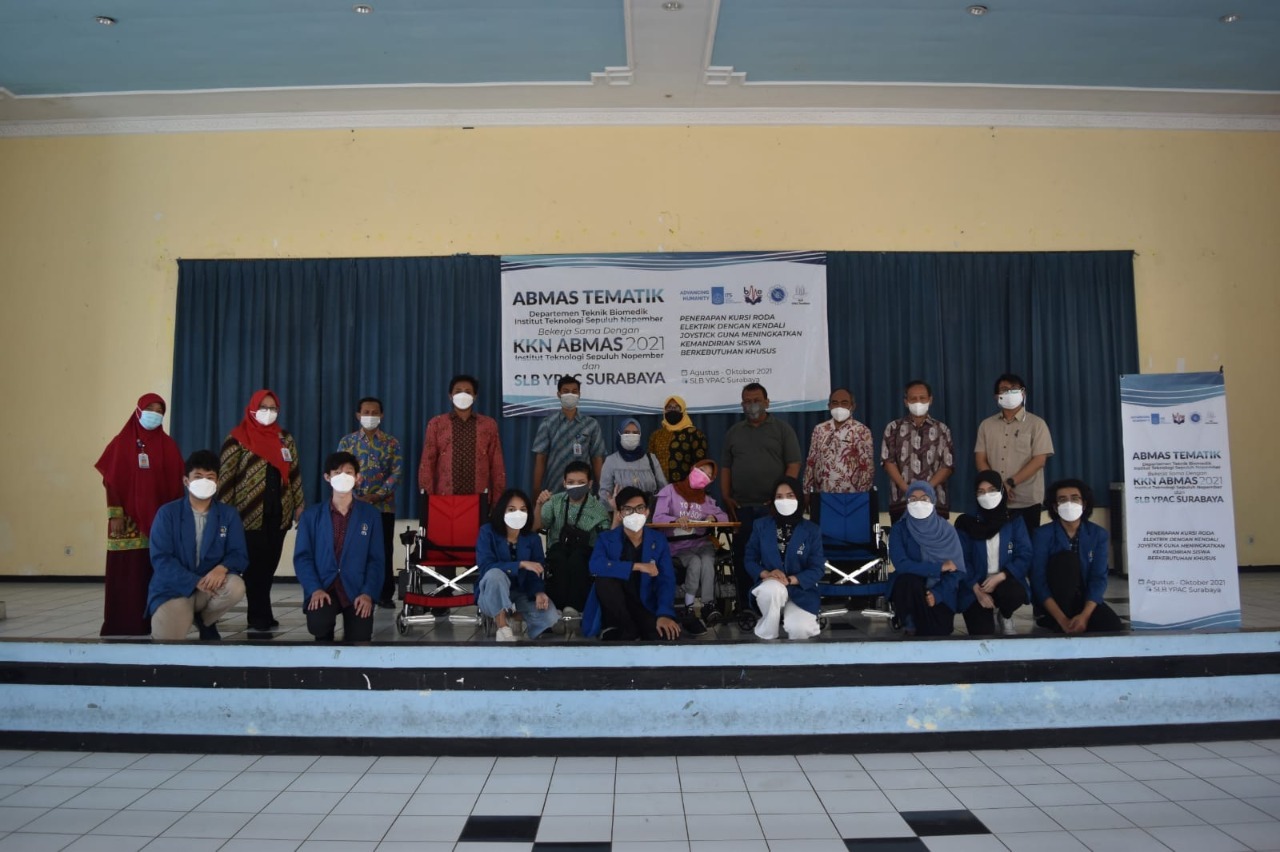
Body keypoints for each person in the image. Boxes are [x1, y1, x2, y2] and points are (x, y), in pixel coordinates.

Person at [94, 393, 185, 636]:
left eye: (159, 410)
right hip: (126, 522)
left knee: (150, 570)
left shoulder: (168, 446)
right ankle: (120, 624)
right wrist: (115, 514)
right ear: (138, 410)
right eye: (150, 408)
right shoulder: (121, 442)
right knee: (126, 573)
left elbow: (176, 486)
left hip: (158, 522)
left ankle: (151, 622)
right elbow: (111, 481)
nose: (154, 414)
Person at [218, 389, 305, 634]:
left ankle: (262, 612)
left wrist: (299, 504)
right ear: (253, 407)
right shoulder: (236, 438)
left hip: (279, 513)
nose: (268, 412)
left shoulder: (284, 438)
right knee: (255, 567)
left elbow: (295, 472)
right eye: (263, 406)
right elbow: (226, 479)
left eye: (273, 407)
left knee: (269, 565)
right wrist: (224, 514)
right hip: (247, 515)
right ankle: (258, 616)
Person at [147, 450, 248, 641]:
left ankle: (206, 620)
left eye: (210, 477)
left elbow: (239, 553)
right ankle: (183, 614)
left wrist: (222, 567)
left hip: (209, 587)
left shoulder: (228, 514)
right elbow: (161, 559)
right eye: (198, 476)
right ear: (186, 481)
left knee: (235, 586)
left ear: (217, 482)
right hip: (173, 589)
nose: (204, 481)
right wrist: (193, 580)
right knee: (167, 641)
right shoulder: (167, 513)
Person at [721, 383, 802, 610]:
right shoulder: (734, 432)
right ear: (741, 404)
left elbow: (794, 464)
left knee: (775, 556)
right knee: (744, 557)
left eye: (756, 400)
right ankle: (747, 606)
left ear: (767, 402)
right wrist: (726, 496)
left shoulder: (783, 430)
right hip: (742, 508)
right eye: (747, 401)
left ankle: (780, 603)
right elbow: (726, 467)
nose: (752, 405)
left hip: (774, 509)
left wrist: (781, 498)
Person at [293, 452, 384, 642]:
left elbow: (376, 560)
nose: (343, 477)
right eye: (337, 472)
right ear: (327, 477)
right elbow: (303, 558)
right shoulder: (311, 516)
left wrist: (368, 593)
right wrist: (314, 589)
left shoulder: (371, 515)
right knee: (319, 624)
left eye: (349, 472)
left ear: (358, 478)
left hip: (356, 589)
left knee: (360, 636)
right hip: (324, 586)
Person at [583, 487, 682, 641]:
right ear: (619, 514)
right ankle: (626, 627)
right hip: (617, 609)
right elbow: (595, 565)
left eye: (640, 508)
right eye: (628, 509)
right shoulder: (606, 538)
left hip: (646, 605)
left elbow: (666, 580)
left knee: (664, 636)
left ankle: (635, 630)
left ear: (647, 512)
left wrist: (664, 614)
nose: (635, 513)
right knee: (604, 579)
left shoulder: (658, 540)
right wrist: (637, 566)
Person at [1031, 479, 1125, 634]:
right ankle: (1054, 618)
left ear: (1084, 504)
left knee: (1112, 625)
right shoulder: (1041, 535)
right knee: (1067, 561)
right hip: (1054, 600)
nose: (1069, 503)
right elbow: (1038, 580)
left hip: (1084, 598)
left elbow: (1098, 578)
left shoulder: (1098, 534)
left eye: (1075, 498)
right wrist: (1062, 620)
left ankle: (1076, 619)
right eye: (1062, 499)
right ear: (1055, 507)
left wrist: (1085, 616)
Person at [338, 396, 403, 609]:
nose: (370, 416)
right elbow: (340, 472)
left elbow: (396, 472)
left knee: (383, 549)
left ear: (382, 415)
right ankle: (353, 589)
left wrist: (377, 495)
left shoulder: (392, 443)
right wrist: (356, 496)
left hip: (383, 506)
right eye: (366, 412)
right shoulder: (347, 442)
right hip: (353, 505)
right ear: (358, 415)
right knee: (355, 548)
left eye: (375, 412)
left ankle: (384, 593)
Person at [743, 476, 825, 641]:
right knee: (773, 589)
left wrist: (790, 579)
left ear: (799, 498)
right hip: (771, 585)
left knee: (800, 629)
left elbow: (817, 569)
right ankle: (767, 633)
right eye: (779, 497)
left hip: (800, 590)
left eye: (790, 495)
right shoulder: (761, 525)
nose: (784, 500)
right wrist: (766, 574)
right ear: (773, 500)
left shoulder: (812, 530)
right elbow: (749, 559)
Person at [975, 373, 1054, 537]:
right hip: (993, 498)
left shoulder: (1037, 424)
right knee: (996, 545)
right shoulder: (986, 425)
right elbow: (980, 459)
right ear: (997, 397)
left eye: (1014, 389)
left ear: (1023, 394)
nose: (1009, 393)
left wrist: (1010, 483)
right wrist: (997, 487)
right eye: (1004, 390)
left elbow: (1039, 460)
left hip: (1027, 499)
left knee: (1027, 547)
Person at [652, 459, 728, 631]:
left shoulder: (706, 499)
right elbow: (657, 518)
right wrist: (675, 520)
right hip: (677, 546)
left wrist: (713, 519)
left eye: (709, 476)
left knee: (708, 560)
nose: (704, 476)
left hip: (700, 542)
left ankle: (708, 605)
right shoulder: (670, 491)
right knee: (695, 562)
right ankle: (689, 605)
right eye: (702, 470)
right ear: (693, 468)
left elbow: (724, 517)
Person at [954, 471, 1032, 637]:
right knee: (982, 633)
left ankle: (1005, 614)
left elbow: (1025, 554)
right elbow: (961, 560)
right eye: (981, 492)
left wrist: (1001, 576)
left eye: (991, 490)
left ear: (1002, 491)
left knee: (1012, 593)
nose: (987, 495)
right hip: (976, 583)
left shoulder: (1014, 520)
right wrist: (976, 589)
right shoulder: (966, 523)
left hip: (1004, 580)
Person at [475, 489, 560, 642]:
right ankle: (502, 627)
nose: (517, 514)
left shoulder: (532, 539)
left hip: (521, 592)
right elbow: (486, 567)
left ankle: (513, 617)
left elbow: (537, 570)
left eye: (523, 510)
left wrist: (539, 592)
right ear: (502, 511)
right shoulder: (487, 532)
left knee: (550, 616)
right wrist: (520, 564)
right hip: (492, 590)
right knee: (495, 575)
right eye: (512, 509)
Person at [534, 461, 611, 615]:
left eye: (581, 482)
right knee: (558, 558)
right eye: (571, 482)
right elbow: (536, 526)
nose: (575, 486)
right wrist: (539, 505)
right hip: (558, 548)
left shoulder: (599, 510)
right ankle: (555, 608)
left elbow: (607, 539)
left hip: (584, 551)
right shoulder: (554, 501)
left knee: (577, 559)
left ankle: (575, 607)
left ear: (590, 484)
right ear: (564, 483)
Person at [888, 481, 963, 637]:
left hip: (940, 590)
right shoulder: (899, 529)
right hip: (912, 590)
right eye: (913, 499)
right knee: (906, 580)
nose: (918, 503)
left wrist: (938, 594)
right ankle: (909, 624)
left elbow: (957, 572)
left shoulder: (947, 531)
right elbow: (901, 565)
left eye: (924, 498)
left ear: (933, 502)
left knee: (938, 632)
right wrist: (937, 568)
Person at [882, 380, 956, 524]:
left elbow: (948, 466)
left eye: (922, 398)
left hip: (935, 501)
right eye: (913, 399)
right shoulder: (893, 428)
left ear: (930, 400)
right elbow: (888, 462)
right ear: (906, 402)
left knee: (934, 544)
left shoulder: (942, 429)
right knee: (904, 543)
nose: (918, 402)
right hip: (902, 500)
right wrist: (909, 490)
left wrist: (925, 490)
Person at [419, 374, 506, 496]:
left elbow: (497, 466)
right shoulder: (436, 424)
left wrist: (497, 502)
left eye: (468, 392)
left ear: (475, 396)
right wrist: (427, 500)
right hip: (445, 498)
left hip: (479, 498)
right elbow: (427, 465)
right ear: (450, 396)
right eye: (458, 391)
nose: (463, 395)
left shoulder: (488, 425)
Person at [531, 375, 606, 495]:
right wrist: (536, 491)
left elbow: (597, 458)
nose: (570, 394)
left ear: (579, 395)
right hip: (555, 490)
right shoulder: (548, 424)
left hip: (584, 491)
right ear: (558, 394)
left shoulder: (591, 424)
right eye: (566, 391)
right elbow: (540, 459)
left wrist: (603, 490)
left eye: (574, 391)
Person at [802, 387, 875, 494]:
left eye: (844, 403)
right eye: (835, 403)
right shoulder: (819, 429)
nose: (839, 407)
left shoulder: (862, 431)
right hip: (822, 494)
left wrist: (860, 496)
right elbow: (811, 462)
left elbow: (867, 468)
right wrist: (806, 491)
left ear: (852, 406)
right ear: (829, 406)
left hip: (851, 496)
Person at [598, 418, 668, 511]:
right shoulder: (611, 461)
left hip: (649, 515)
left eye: (635, 433)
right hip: (623, 516)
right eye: (626, 432)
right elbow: (605, 495)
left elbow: (664, 489)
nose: (631, 435)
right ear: (619, 434)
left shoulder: (651, 459)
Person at [648, 395, 708, 485]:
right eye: (669, 407)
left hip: (686, 490)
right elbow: (650, 462)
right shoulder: (656, 435)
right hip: (660, 490)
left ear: (683, 411)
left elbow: (701, 465)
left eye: (676, 407)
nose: (672, 410)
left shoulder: (694, 434)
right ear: (664, 411)